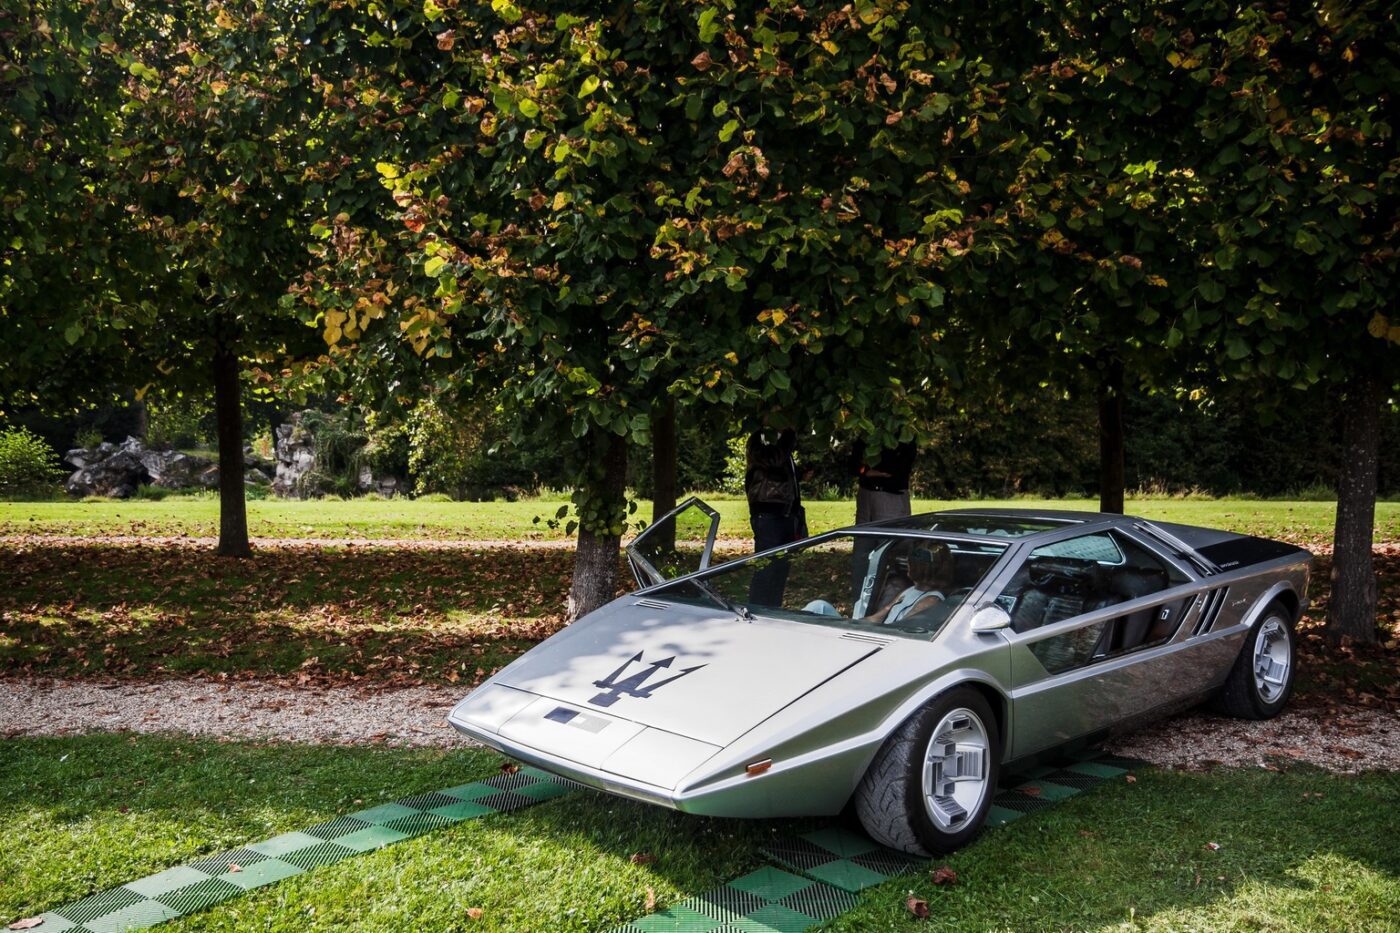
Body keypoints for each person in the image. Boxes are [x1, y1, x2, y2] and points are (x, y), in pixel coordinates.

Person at [850, 439, 917, 600]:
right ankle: (860, 603)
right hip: (866, 497)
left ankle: (893, 603)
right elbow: (852, 466)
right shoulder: (867, 432)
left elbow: (896, 467)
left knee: (893, 550)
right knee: (862, 554)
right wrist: (866, 470)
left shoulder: (904, 435)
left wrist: (868, 470)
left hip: (891, 497)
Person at [745, 428, 805, 606]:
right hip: (768, 514)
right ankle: (758, 609)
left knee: (780, 568)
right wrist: (788, 435)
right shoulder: (760, 438)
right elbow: (774, 460)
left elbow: (777, 472)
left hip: (786, 512)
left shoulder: (780, 443)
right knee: (766, 568)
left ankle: (773, 609)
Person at [864, 543, 955, 625]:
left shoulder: (931, 600)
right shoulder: (910, 590)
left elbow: (900, 628)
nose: (907, 565)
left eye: (910, 562)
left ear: (920, 568)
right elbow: (876, 618)